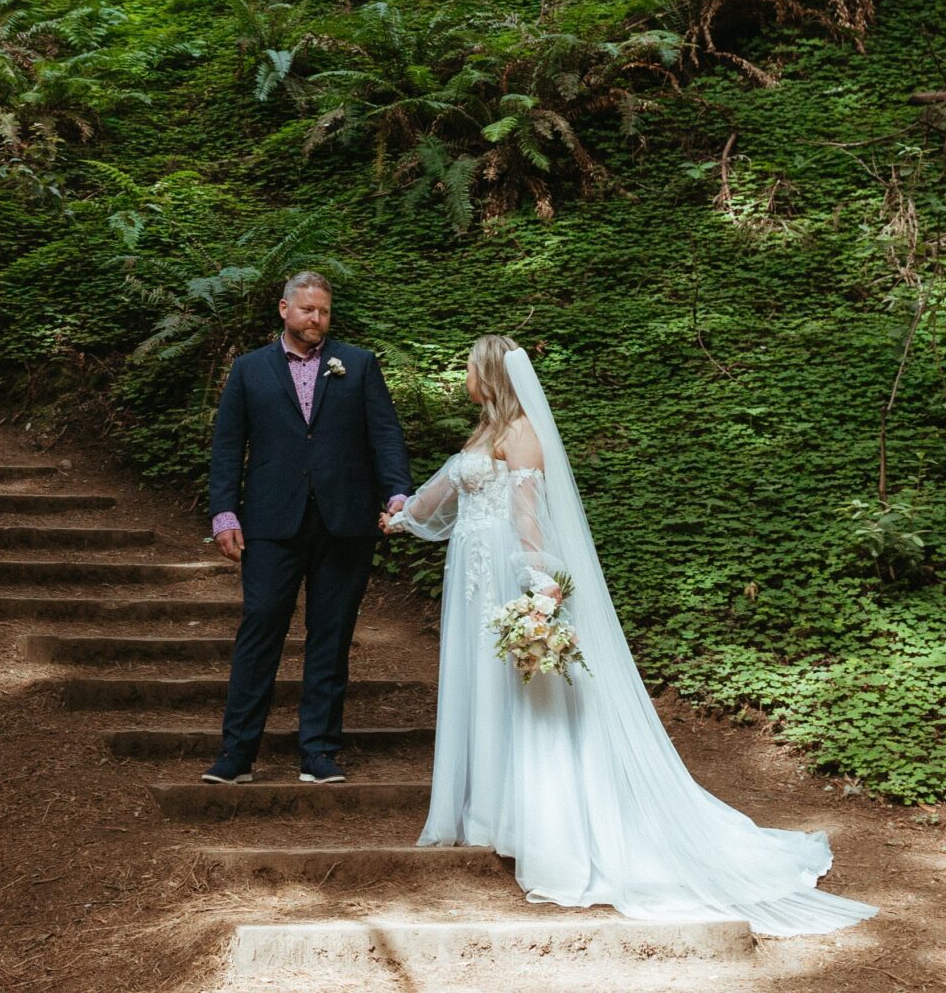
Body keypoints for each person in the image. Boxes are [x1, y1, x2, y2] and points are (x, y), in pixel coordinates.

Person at [382, 334, 875, 935]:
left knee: (515, 692)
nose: (462, 375)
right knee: (480, 685)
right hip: (470, 578)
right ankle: (484, 815)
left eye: (467, 367)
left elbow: (527, 518)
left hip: (502, 577)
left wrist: (539, 587)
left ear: (487, 373)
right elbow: (444, 492)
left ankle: (528, 825)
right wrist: (402, 515)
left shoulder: (520, 435)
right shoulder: (482, 435)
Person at [201, 271, 411, 785]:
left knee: (331, 635)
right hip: (272, 521)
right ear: (284, 309)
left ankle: (318, 750)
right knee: (260, 627)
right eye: (308, 310)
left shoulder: (358, 365)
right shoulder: (250, 369)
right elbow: (228, 446)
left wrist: (399, 494)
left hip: (346, 522)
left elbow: (385, 436)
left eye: (324, 311)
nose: (317, 319)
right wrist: (225, 513)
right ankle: (237, 754)